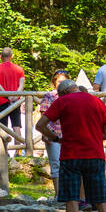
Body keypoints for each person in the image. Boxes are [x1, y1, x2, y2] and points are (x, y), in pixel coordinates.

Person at [35, 78, 106, 212]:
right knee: (102, 198)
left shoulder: (62, 101)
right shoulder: (96, 101)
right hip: (95, 155)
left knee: (72, 198)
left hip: (71, 156)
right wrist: (93, 137)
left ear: (63, 93)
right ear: (76, 88)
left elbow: (40, 125)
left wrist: (56, 138)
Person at [38, 69, 67, 199]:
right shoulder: (49, 96)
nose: (61, 84)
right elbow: (43, 116)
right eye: (59, 81)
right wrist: (47, 135)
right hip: (54, 133)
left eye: (64, 81)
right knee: (56, 164)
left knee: (69, 165)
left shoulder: (69, 97)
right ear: (54, 83)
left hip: (68, 135)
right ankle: (59, 195)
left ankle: (69, 195)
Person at [0, 47, 25, 154]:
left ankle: (4, 152)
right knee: (16, 126)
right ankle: (17, 152)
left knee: (2, 127)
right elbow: (21, 85)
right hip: (16, 101)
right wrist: (15, 95)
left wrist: (6, 95)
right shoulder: (19, 69)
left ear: (1, 56)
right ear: (12, 56)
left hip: (2, 100)